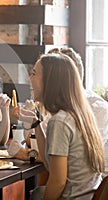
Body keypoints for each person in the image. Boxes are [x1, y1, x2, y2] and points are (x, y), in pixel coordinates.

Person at [14, 53, 104, 199]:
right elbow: (50, 165)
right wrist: (36, 124)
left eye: (34, 74)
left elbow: (58, 182)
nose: (30, 78)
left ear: (50, 82)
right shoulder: (79, 115)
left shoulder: (60, 122)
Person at [48, 47, 108, 177]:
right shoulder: (60, 108)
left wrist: (28, 154)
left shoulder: (97, 108)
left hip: (96, 188)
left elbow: (75, 159)